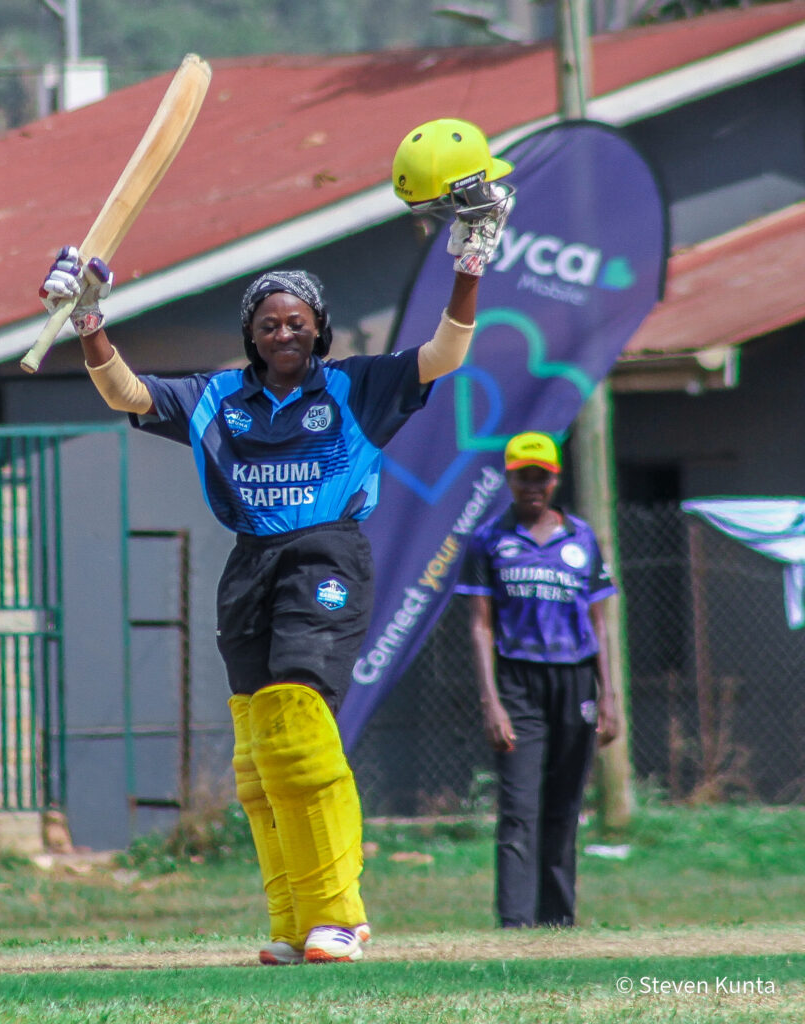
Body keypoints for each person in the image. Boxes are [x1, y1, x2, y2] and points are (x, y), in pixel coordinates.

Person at [38, 119, 514, 964]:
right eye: (268, 324)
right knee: (258, 758)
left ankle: (342, 915)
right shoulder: (218, 398)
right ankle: (294, 923)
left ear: (318, 328)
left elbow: (445, 353)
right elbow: (126, 395)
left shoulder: (358, 387)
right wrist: (89, 320)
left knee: (297, 719)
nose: (283, 334)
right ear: (251, 335)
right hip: (251, 564)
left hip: (325, 557)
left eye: (297, 322)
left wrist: (470, 261)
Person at [455, 431, 619, 929]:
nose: (532, 486)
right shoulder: (489, 539)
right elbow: (480, 626)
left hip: (575, 681)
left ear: (555, 479)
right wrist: (491, 702)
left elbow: (599, 623)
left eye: (541, 477)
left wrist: (609, 697)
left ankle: (557, 922)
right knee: (519, 806)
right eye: (523, 476)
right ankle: (515, 925)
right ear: (509, 479)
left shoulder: (582, 538)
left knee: (564, 806)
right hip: (518, 683)